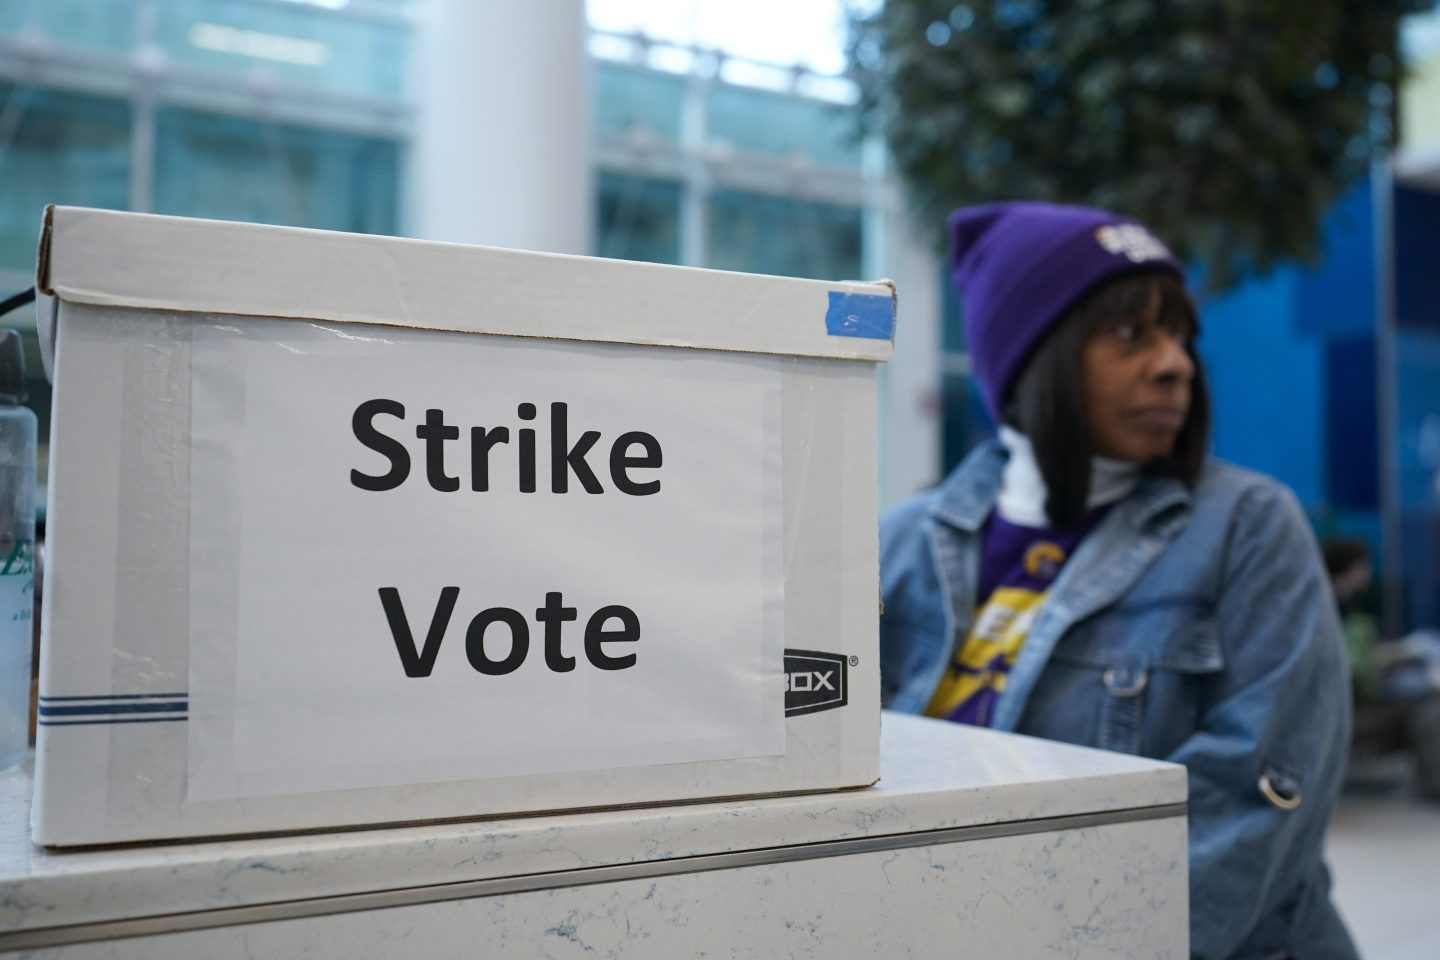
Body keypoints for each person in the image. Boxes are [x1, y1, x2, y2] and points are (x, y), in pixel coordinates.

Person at [880, 202, 1357, 959]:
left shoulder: (1246, 527)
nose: (1175, 365)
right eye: (1132, 334)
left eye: (1180, 336)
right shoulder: (899, 545)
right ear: (1035, 357)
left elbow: (1254, 803)